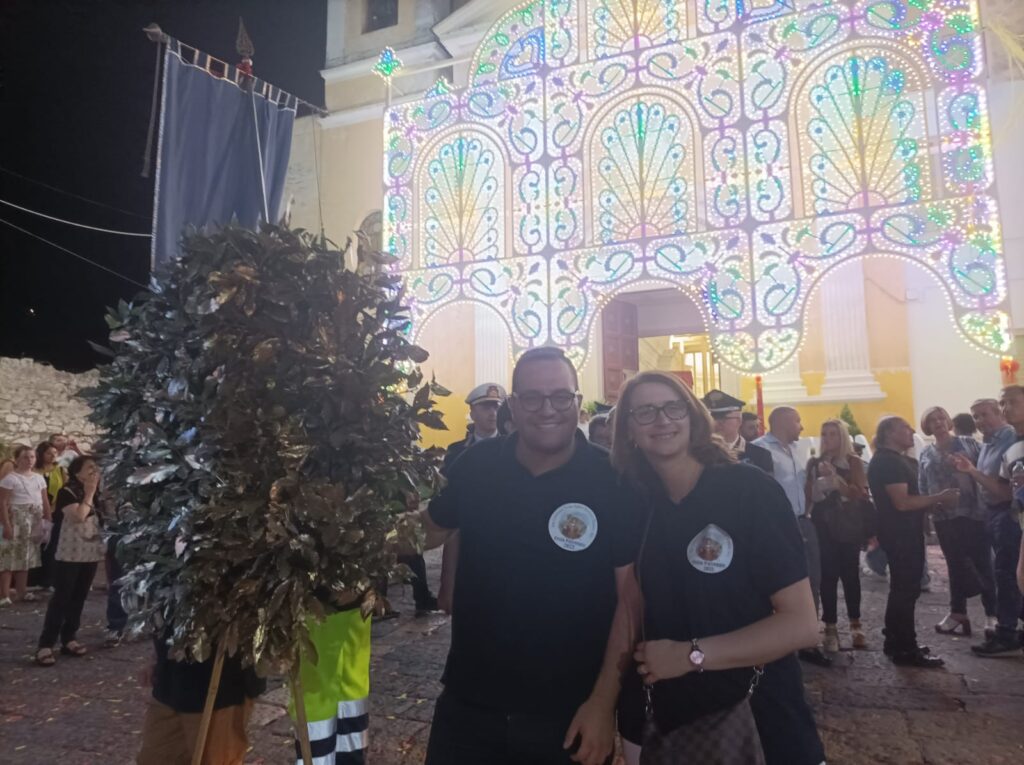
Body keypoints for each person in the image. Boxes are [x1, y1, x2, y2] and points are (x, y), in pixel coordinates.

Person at [418, 347, 639, 765]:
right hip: (470, 705)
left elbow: (630, 601)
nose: (547, 409)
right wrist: (350, 534)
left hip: (569, 714)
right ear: (514, 406)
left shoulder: (612, 479)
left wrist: (602, 703)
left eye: (560, 397)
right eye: (532, 398)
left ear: (577, 403)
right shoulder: (479, 464)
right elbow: (430, 527)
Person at [611, 372, 823, 765]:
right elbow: (631, 606)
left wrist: (691, 655)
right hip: (668, 720)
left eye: (673, 407)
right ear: (628, 431)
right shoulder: (639, 502)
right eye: (645, 412)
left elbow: (800, 623)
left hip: (758, 719)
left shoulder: (749, 491)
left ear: (692, 417)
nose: (662, 420)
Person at [868, 417, 958, 667]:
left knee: (904, 588)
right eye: (904, 428)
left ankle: (896, 640)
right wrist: (939, 497)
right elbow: (902, 502)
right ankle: (905, 647)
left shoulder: (897, 460)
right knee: (905, 590)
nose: (911, 431)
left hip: (904, 531)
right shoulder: (888, 462)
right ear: (888, 433)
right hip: (900, 533)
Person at [754, 407, 830, 667]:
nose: (801, 425)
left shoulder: (797, 451)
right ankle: (779, 640)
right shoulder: (760, 450)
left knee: (812, 580)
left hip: (803, 520)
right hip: (777, 526)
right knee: (781, 582)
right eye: (797, 420)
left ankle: (809, 639)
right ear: (785, 422)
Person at [952, 390, 1024, 655]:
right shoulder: (1005, 444)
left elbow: (1003, 491)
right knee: (1009, 573)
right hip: (1003, 513)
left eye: (1011, 403)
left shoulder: (1007, 437)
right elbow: (1005, 485)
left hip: (1009, 514)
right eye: (976, 417)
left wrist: (972, 472)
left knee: (1007, 574)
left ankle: (1006, 631)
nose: (981, 421)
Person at [918, 407, 997, 637]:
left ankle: (993, 614)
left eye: (941, 417)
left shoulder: (969, 444)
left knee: (983, 563)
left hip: (974, 513)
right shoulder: (926, 453)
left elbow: (987, 471)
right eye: (932, 420)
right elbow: (923, 484)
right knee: (956, 565)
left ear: (948, 421)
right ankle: (958, 613)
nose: (938, 423)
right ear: (927, 427)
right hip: (944, 518)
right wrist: (930, 508)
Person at [436, 382, 509, 615]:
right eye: (486, 407)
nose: (493, 413)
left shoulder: (513, 448)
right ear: (473, 412)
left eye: (497, 407)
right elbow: (450, 515)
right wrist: (447, 584)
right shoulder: (457, 452)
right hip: (469, 544)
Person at [136, 635, 265, 765]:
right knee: (154, 758)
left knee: (213, 760)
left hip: (220, 689)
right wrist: (155, 658)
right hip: (169, 683)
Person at [35, 455, 107, 666]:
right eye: (90, 469)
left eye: (96, 469)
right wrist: (90, 492)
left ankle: (69, 638)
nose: (95, 473)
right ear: (78, 473)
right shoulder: (67, 492)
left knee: (79, 597)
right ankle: (46, 644)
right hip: (70, 553)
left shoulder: (97, 494)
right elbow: (78, 516)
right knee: (61, 598)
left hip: (90, 553)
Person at [806, 419, 868, 652]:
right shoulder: (814, 462)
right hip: (823, 525)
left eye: (833, 434)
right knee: (828, 576)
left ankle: (855, 623)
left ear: (842, 437)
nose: (828, 438)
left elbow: (859, 493)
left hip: (848, 524)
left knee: (850, 574)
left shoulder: (853, 462)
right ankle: (830, 626)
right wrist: (819, 484)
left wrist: (835, 480)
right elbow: (810, 497)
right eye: (824, 434)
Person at [0, 444, 52, 605]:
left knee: (26, 556)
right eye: (25, 457)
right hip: (17, 518)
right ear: (17, 459)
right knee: (9, 556)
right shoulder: (11, 478)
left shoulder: (38, 478)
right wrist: (6, 525)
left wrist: (47, 519)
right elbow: (3, 502)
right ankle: (4, 594)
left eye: (32, 457)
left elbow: (44, 500)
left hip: (33, 519)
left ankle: (22, 591)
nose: (29, 460)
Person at [702, 390, 773, 473]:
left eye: (723, 418)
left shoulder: (759, 455)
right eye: (711, 419)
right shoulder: (697, 452)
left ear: (739, 420)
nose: (716, 423)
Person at [31, 440, 65, 590]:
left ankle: (48, 579)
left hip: (55, 510)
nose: (52, 456)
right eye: (49, 453)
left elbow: (64, 488)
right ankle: (32, 579)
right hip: (35, 511)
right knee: (35, 545)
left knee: (51, 546)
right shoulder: (34, 471)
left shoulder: (60, 470)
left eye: (54, 453)